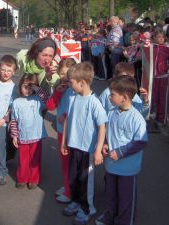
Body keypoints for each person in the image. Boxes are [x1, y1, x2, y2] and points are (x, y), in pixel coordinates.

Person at [95, 75, 148, 225]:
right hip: (112, 166)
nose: (109, 97)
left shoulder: (136, 118)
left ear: (124, 97)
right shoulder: (111, 112)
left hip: (127, 169)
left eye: (112, 95)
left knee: (125, 198)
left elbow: (141, 141)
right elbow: (107, 133)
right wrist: (105, 144)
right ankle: (110, 215)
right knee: (110, 194)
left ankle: (124, 221)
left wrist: (120, 151)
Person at [61, 62, 107, 225]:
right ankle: (76, 201)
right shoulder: (73, 98)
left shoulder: (94, 103)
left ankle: (87, 208)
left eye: (71, 82)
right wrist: (65, 141)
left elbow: (102, 126)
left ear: (82, 82)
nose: (69, 85)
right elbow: (67, 120)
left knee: (85, 180)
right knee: (74, 177)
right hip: (74, 146)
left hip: (88, 150)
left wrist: (98, 150)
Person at [10, 73, 49, 190]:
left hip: (36, 137)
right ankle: (22, 178)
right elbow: (13, 121)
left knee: (35, 160)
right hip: (22, 137)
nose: (27, 90)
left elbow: (47, 97)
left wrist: (36, 88)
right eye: (25, 86)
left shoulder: (38, 100)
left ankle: (34, 179)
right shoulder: (16, 102)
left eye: (30, 87)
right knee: (23, 160)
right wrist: (14, 136)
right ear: (20, 86)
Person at [45, 58, 76, 203]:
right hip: (61, 131)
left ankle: (71, 192)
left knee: (72, 163)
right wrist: (57, 93)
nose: (65, 77)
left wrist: (66, 116)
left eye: (68, 74)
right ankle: (67, 185)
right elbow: (50, 106)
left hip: (74, 133)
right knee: (65, 162)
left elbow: (81, 111)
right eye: (62, 74)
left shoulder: (77, 90)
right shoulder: (60, 86)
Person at [0, 55, 18, 185]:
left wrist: (3, 120)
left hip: (1, 123)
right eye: (3, 69)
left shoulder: (14, 88)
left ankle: (1, 171)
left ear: (14, 71)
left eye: (9, 70)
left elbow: (12, 108)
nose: (6, 73)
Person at [151, 31, 169, 126]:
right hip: (153, 77)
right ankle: (152, 116)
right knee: (154, 98)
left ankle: (162, 119)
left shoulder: (167, 49)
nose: (160, 39)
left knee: (162, 98)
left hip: (163, 77)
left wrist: (165, 68)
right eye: (158, 37)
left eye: (162, 37)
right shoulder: (151, 48)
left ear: (165, 38)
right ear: (154, 38)